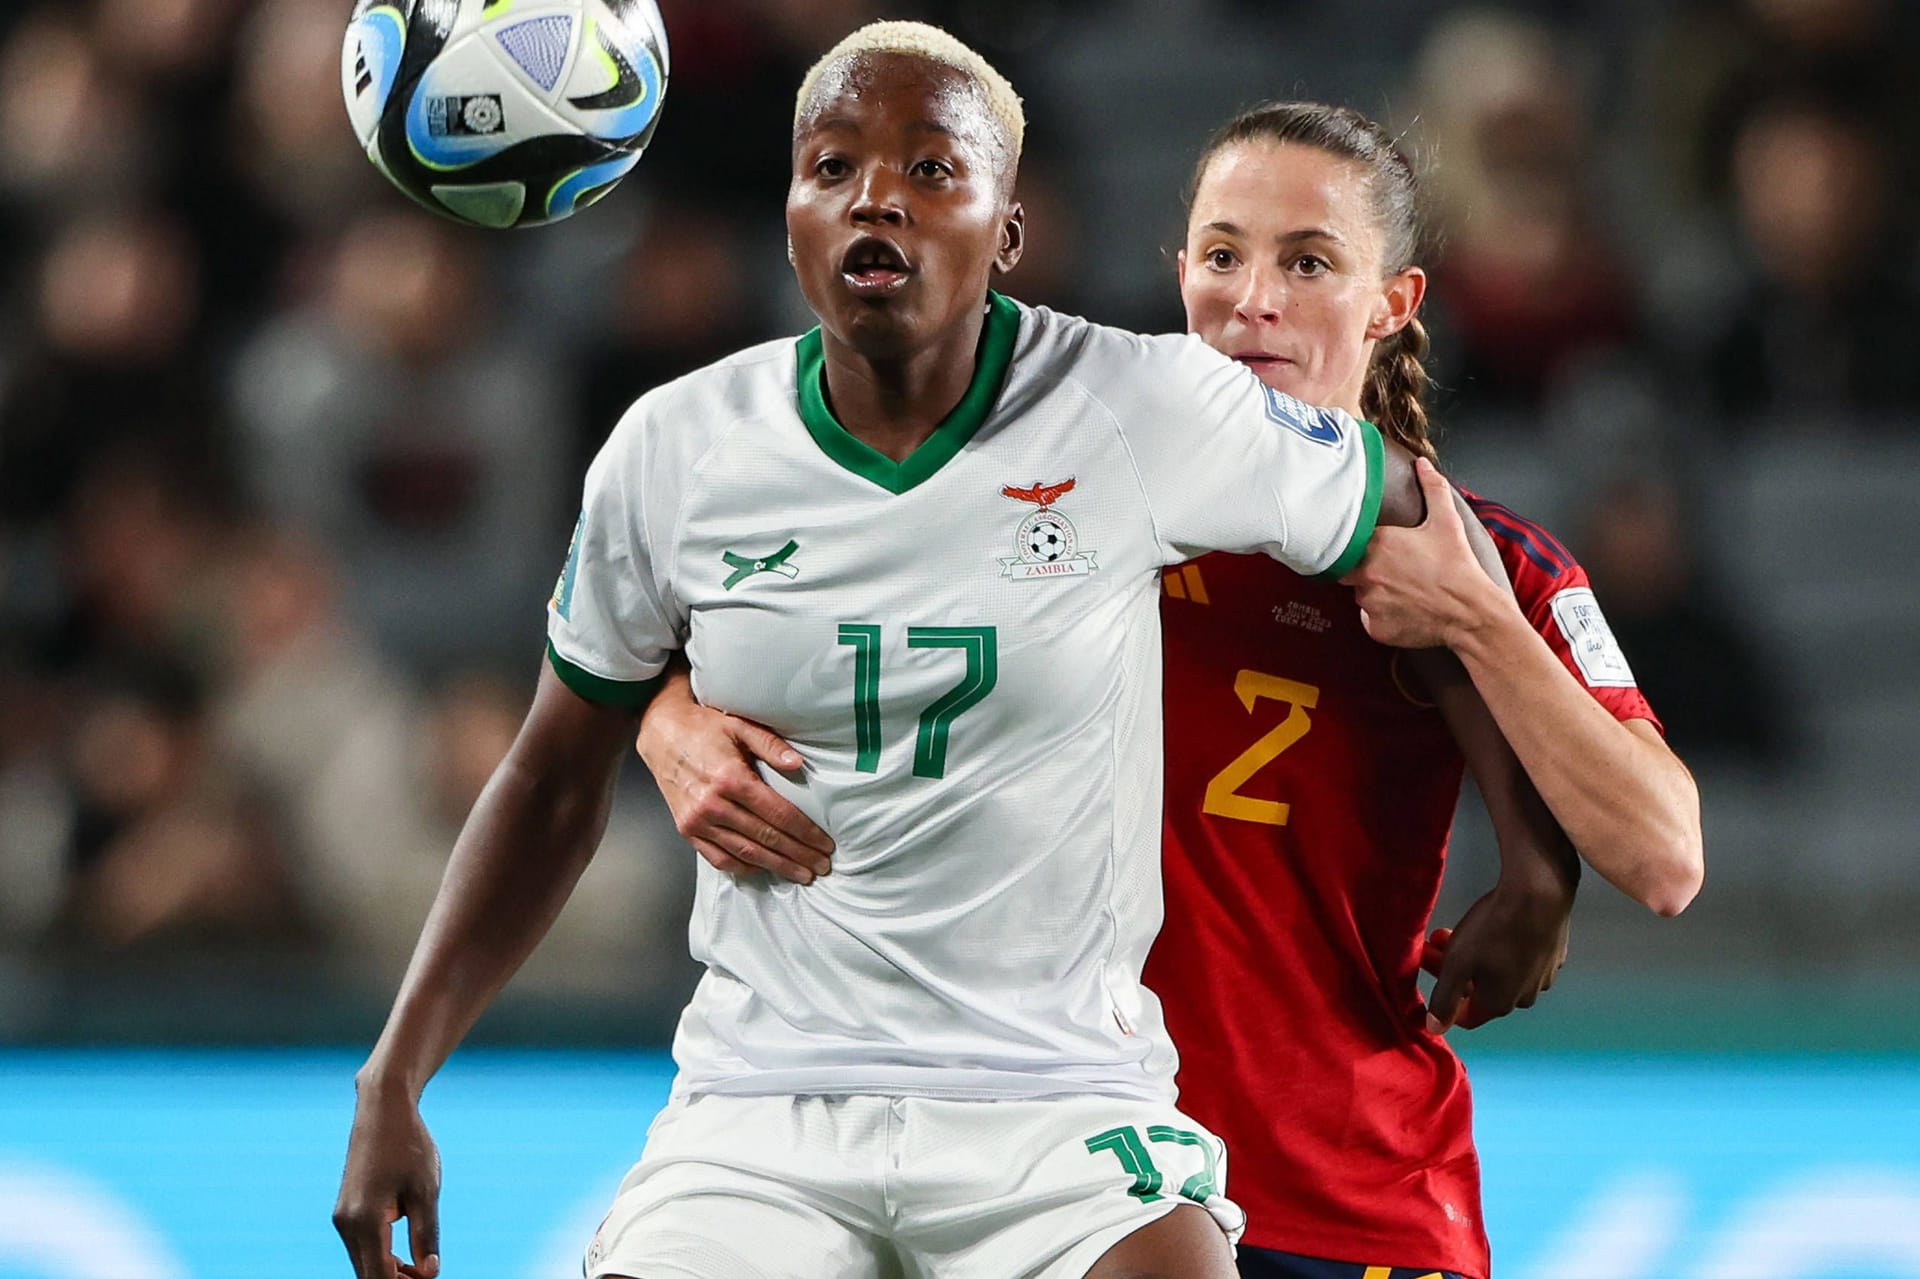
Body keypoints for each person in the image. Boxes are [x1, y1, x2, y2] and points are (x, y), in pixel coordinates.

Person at [332, 24, 1540, 1279]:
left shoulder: (1145, 406)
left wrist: (1531, 852)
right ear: (791, 219)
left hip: (1058, 1102)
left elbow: (1428, 525)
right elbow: (549, 778)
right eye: (834, 167)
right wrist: (395, 1073)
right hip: (765, 1108)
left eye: (929, 168)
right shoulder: (674, 449)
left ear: (1006, 231)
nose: (877, 198)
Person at [641, 99, 1705, 1279]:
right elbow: (688, 614)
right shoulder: (1049, 499)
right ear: (1180, 273)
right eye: (1223, 255)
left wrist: (1479, 629)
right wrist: (665, 722)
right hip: (1049, 1192)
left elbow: (1665, 857)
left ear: (1392, 303)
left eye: (1308, 263)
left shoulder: (1483, 559)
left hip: (1346, 1194)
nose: (1254, 300)